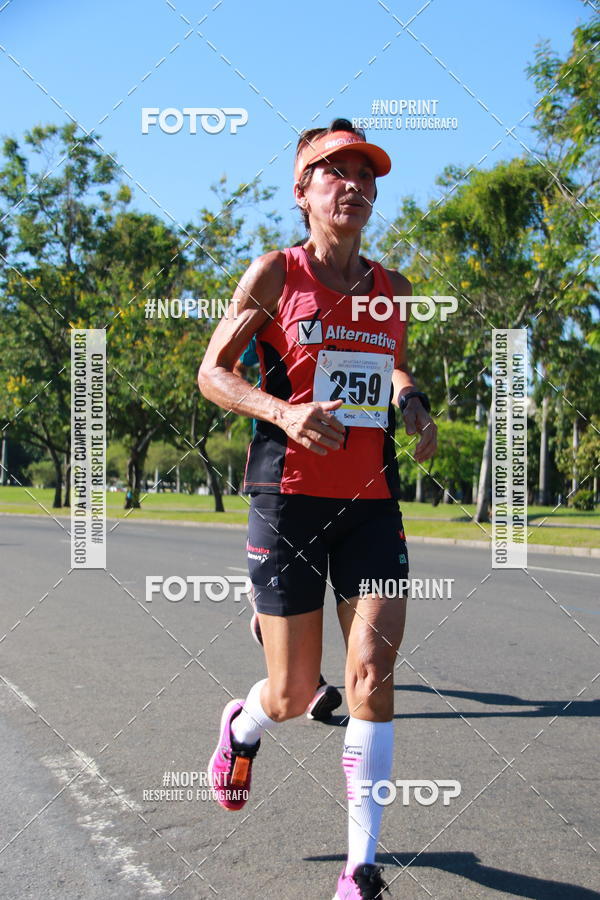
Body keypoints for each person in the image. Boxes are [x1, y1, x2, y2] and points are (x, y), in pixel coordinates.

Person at [198, 118, 437, 900]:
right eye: (335, 172)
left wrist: (413, 403)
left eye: (365, 175)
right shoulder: (275, 274)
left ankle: (360, 869)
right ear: (303, 192)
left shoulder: (394, 290)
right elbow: (213, 372)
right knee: (296, 695)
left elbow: (391, 365)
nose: (354, 185)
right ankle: (243, 727)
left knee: (370, 671)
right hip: (288, 501)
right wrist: (284, 412)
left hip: (371, 504)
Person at [234, 341, 343, 723]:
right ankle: (311, 683)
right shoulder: (272, 316)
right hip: (281, 466)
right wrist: (272, 407)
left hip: (346, 474)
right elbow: (231, 370)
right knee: (292, 583)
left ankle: (277, 632)